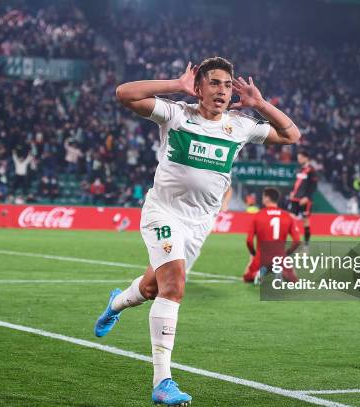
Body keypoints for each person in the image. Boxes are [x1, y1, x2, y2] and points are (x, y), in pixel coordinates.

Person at [93, 57, 301, 406]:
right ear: (199, 87)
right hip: (163, 213)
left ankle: (115, 303)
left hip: (201, 222)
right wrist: (175, 84)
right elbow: (124, 93)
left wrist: (260, 104)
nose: (221, 90)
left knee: (151, 286)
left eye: (227, 84)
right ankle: (163, 381)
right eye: (215, 83)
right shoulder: (177, 114)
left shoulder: (240, 125)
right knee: (174, 288)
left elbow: (291, 135)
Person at [244, 187, 301, 284]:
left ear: (266, 198)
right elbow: (297, 240)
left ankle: (259, 273)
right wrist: (287, 253)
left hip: (261, 256)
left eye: (263, 196)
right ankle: (280, 272)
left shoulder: (258, 215)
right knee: (294, 280)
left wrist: (253, 254)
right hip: (280, 256)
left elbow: (249, 240)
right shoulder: (287, 216)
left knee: (247, 277)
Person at [288, 150, 318, 246]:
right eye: (298, 158)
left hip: (305, 199)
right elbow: (296, 183)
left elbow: (313, 185)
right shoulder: (300, 169)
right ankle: (294, 241)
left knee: (305, 220)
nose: (299, 160)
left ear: (306, 158)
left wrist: (307, 197)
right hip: (295, 198)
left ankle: (306, 245)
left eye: (300, 158)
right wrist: (292, 192)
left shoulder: (311, 170)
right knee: (290, 219)